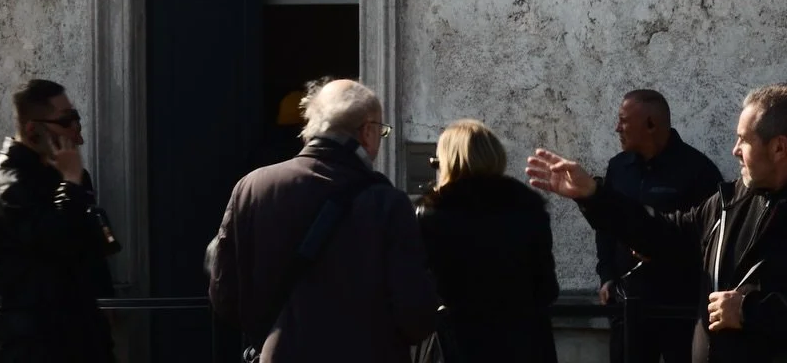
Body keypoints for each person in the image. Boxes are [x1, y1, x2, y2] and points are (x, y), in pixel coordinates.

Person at [529, 82, 787, 362]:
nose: (734, 150)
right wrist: (593, 195)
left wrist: (749, 311)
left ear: (779, 148)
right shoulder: (732, 201)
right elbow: (663, 233)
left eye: (743, 140)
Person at [207, 76, 438, 362]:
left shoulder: (251, 188)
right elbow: (416, 316)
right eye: (381, 131)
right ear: (367, 132)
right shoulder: (387, 203)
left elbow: (225, 295)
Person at [0, 78, 118, 363]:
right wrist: (71, 184)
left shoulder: (64, 174)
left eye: (76, 119)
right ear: (33, 130)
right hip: (33, 342)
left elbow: (87, 251)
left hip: (79, 335)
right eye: (65, 121)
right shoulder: (7, 183)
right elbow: (53, 239)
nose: (75, 131)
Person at [417, 118, 559, 363]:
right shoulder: (528, 210)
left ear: (449, 162)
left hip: (460, 343)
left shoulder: (433, 215)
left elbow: (424, 289)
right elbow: (547, 288)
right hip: (526, 344)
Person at [596, 90, 722, 363]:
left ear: (651, 124)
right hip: (628, 307)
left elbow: (713, 239)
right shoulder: (618, 168)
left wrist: (667, 254)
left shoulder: (698, 171)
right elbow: (606, 226)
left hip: (680, 310)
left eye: (623, 121)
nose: (617, 128)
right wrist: (606, 274)